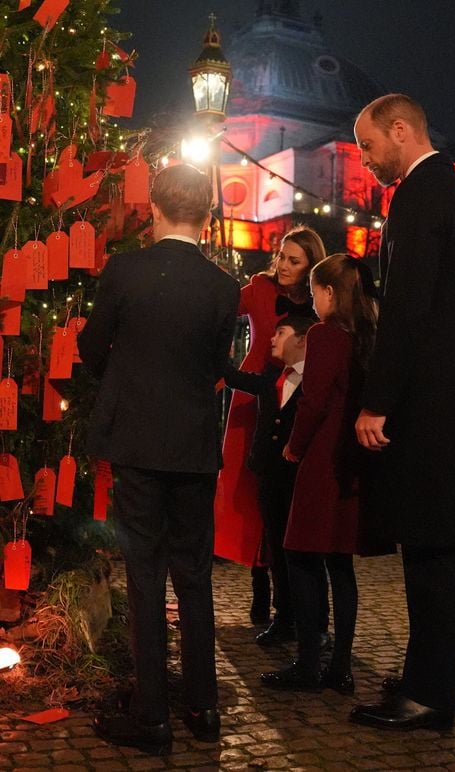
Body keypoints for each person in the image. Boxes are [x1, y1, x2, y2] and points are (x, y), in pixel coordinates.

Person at [78, 164, 240, 756]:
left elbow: (94, 345)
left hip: (138, 442)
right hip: (194, 446)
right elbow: (214, 364)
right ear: (207, 212)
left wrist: (121, 377)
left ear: (154, 206)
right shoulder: (224, 286)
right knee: (194, 575)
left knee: (144, 574)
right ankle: (203, 705)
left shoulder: (127, 270)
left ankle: (151, 714)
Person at [350, 94, 455, 730]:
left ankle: (431, 693)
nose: (365, 159)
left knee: (430, 554)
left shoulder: (419, 196)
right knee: (432, 552)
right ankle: (425, 680)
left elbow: (404, 311)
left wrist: (377, 402)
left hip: (426, 405)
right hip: (447, 395)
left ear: (400, 130)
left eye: (369, 145)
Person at [261, 253, 389, 694]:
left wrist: (294, 448)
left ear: (329, 292)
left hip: (321, 459)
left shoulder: (325, 334)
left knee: (301, 556)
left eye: (315, 292)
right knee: (340, 564)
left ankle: (309, 663)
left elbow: (313, 401)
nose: (312, 302)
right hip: (353, 459)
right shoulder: (367, 335)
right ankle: (341, 666)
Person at [214, 225, 327, 630]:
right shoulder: (260, 288)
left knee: (286, 497)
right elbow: (220, 306)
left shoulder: (319, 302)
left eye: (293, 261)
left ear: (311, 266)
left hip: (296, 399)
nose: (281, 265)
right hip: (253, 395)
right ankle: (259, 585)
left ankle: (291, 601)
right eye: (280, 256)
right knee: (249, 489)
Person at [223, 315, 329, 649]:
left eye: (280, 333)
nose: (271, 339)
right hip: (269, 475)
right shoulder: (272, 377)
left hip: (299, 479)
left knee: (305, 554)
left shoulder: (316, 380)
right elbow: (235, 377)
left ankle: (315, 624)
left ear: (302, 339)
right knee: (277, 551)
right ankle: (283, 617)